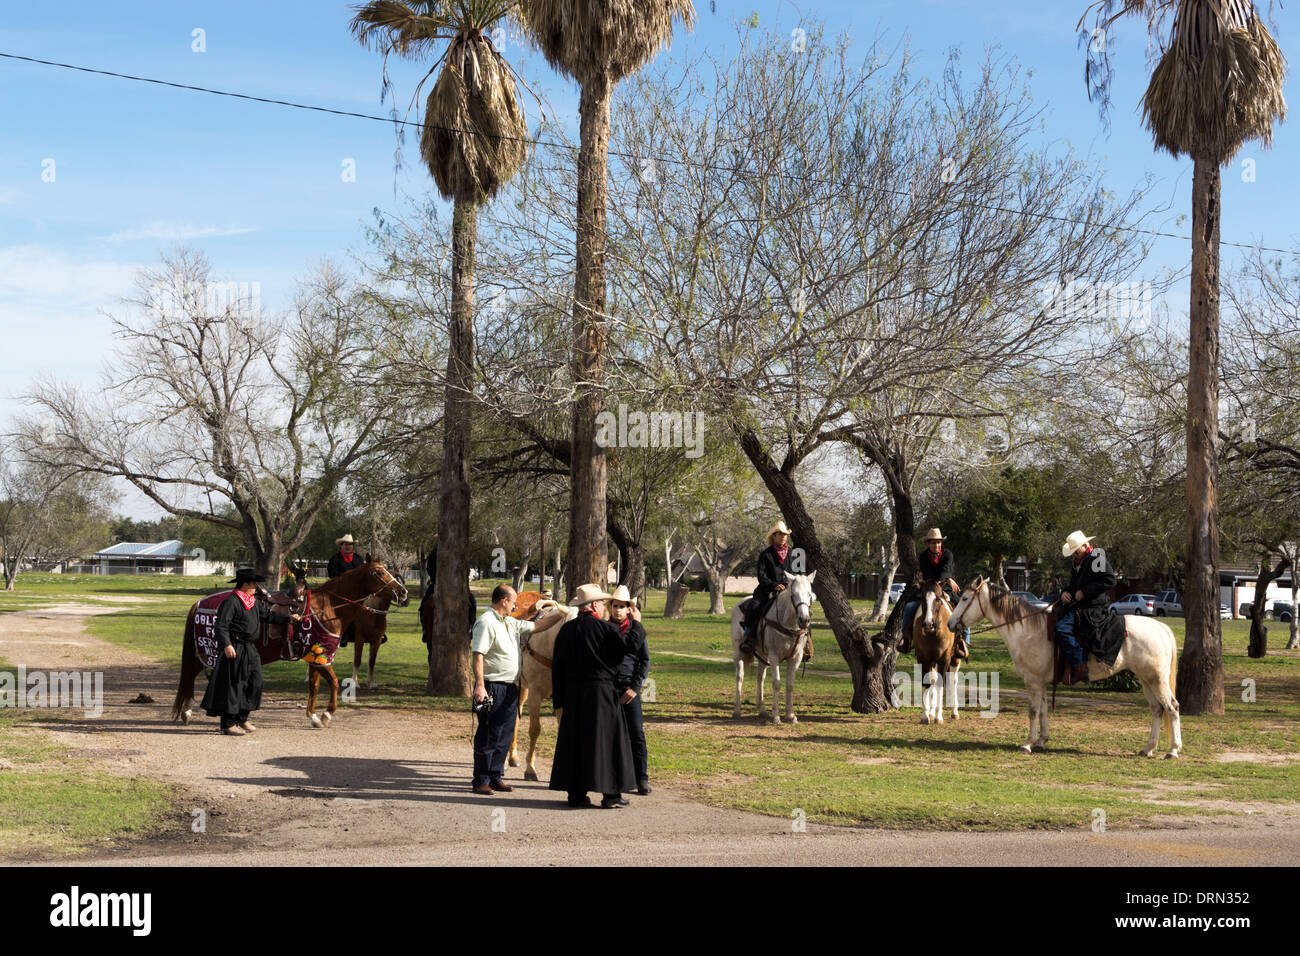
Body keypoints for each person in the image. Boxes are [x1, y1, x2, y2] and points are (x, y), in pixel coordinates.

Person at [549, 583, 636, 809]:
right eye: (603, 603)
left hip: (574, 694)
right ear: (596, 604)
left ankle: (576, 795)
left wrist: (558, 700)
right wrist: (636, 623)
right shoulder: (606, 629)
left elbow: (557, 668)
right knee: (607, 741)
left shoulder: (566, 631)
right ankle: (611, 794)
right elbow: (628, 649)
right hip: (602, 692)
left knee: (576, 742)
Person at [202, 569, 302, 735]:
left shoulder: (252, 601)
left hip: (250, 648)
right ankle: (228, 724)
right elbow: (221, 626)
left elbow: (268, 616)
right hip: (235, 647)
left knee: (255, 682)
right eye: (254, 584)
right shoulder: (231, 602)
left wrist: (288, 618)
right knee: (234, 684)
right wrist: (227, 645)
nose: (257, 587)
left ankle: (242, 718)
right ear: (245, 584)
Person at [470, 584, 535, 795]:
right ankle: (481, 780)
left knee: (505, 734)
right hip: (491, 686)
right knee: (489, 734)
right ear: (503, 601)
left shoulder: (509, 622)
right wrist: (480, 685)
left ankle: (496, 776)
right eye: (513, 601)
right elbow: (478, 654)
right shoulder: (486, 622)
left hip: (510, 688)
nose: (515, 605)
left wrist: (558, 612)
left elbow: (537, 627)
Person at [1056, 530, 1124, 685]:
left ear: (1085, 545)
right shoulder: (1078, 562)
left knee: (1062, 628)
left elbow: (1109, 580)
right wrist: (1065, 593)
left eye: (1076, 551)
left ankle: (1080, 666)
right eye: (1072, 552)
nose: (1074, 555)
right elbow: (1073, 585)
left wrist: (1085, 592)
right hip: (1080, 605)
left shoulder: (1096, 558)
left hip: (1093, 607)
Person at [741, 520, 811, 661]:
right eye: (780, 534)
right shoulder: (765, 555)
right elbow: (762, 576)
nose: (783, 537)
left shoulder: (794, 554)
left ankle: (806, 645)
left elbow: (799, 575)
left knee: (805, 612)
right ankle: (748, 637)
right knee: (754, 607)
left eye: (785, 534)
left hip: (790, 592)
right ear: (774, 536)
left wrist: (791, 585)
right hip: (767, 591)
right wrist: (774, 585)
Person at [898, 529, 969, 658]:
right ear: (928, 544)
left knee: (962, 609)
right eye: (933, 543)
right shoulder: (923, 557)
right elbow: (928, 574)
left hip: (946, 587)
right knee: (909, 607)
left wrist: (947, 581)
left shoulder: (948, 554)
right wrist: (945, 581)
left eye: (938, 542)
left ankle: (963, 642)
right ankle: (906, 639)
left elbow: (945, 571)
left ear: (941, 543)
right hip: (929, 588)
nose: (936, 545)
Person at [608, 585, 650, 796]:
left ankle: (642, 777)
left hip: (629, 689)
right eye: (615, 606)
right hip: (609, 690)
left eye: (622, 606)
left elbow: (644, 661)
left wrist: (635, 688)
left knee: (636, 733)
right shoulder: (604, 628)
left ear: (629, 609)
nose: (618, 610)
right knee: (610, 735)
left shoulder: (637, 631)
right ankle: (614, 778)